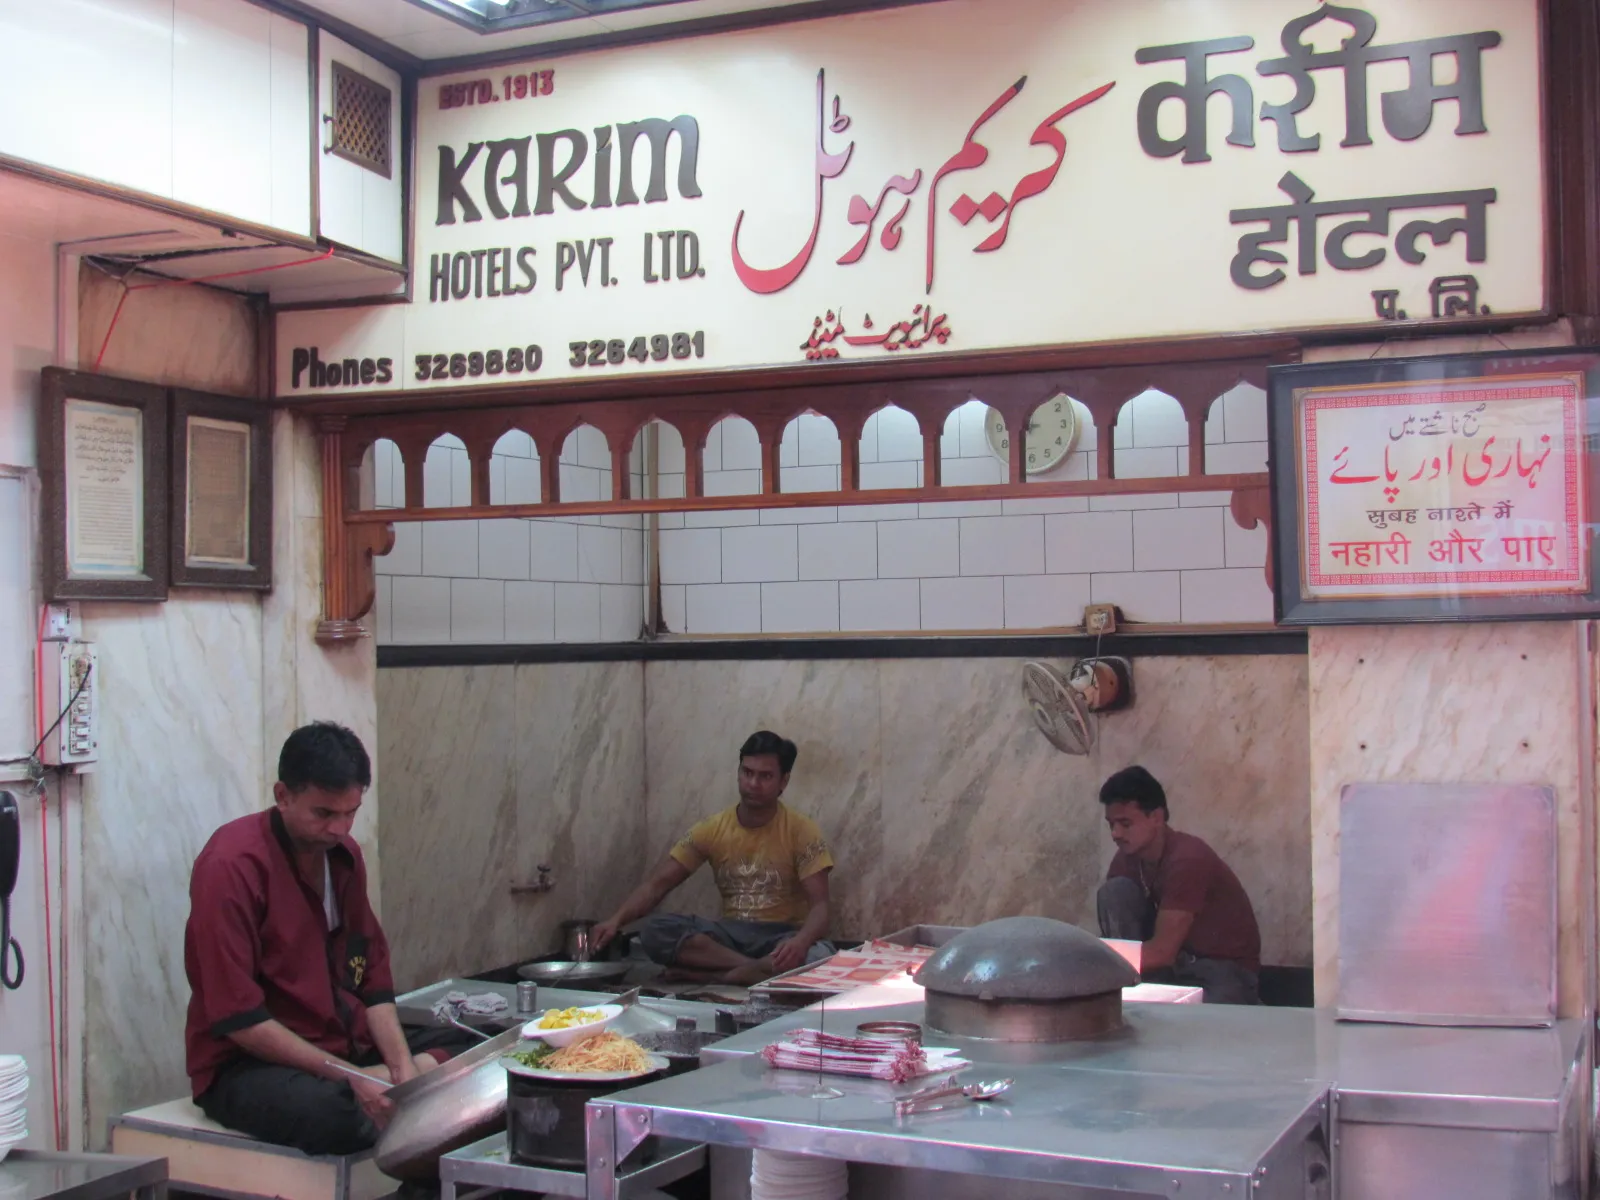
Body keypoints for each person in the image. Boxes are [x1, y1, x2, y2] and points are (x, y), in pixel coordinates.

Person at [184, 722, 469, 1156]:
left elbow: (372, 980)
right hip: (250, 1066)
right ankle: (379, 1093)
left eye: (350, 813)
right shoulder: (231, 866)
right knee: (333, 1115)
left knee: (484, 1046)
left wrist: (400, 1068)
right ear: (283, 796)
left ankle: (389, 1087)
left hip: (342, 1042)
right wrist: (354, 1079)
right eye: (324, 814)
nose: (340, 828)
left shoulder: (344, 857)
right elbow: (241, 1021)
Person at [593, 730, 835, 985]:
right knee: (655, 931)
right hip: (727, 939)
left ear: (783, 782)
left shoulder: (801, 830)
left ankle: (714, 976)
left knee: (819, 956)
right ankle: (751, 972)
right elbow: (657, 885)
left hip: (780, 940)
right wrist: (615, 920)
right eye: (747, 772)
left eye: (765, 776)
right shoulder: (712, 828)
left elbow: (821, 907)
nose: (753, 784)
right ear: (738, 773)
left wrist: (800, 942)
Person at [1095, 765, 1262, 1005]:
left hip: (1223, 972)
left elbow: (1162, 952)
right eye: (1111, 824)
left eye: (1125, 823)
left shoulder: (1188, 858)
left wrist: (1095, 958)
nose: (1115, 834)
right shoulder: (1126, 860)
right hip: (1174, 970)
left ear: (1156, 817)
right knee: (1115, 892)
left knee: (1197, 1028)